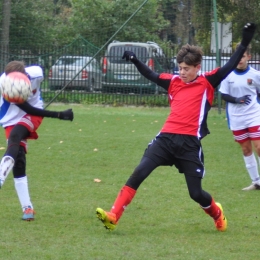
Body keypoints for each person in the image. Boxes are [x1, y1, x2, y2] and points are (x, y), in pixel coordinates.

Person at [96, 23, 256, 232]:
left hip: (189, 144)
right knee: (139, 173)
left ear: (197, 67)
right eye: (180, 68)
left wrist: (244, 41)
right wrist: (135, 59)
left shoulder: (208, 81)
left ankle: (217, 213)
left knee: (196, 194)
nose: (181, 72)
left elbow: (229, 65)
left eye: (186, 69)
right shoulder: (172, 81)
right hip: (165, 139)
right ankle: (113, 215)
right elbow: (151, 75)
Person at [0, 60, 74, 221]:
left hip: (34, 115)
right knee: (18, 158)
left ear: (25, 75)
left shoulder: (37, 73)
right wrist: (59, 115)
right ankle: (28, 209)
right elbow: (26, 107)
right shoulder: (5, 83)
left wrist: (60, 115)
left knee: (15, 137)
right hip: (10, 118)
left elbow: (32, 110)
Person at [220, 43, 260, 191]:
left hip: (254, 115)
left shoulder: (255, 75)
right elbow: (223, 94)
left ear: (248, 56)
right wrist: (236, 100)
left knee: (259, 147)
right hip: (236, 117)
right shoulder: (227, 74)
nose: (240, 60)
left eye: (243, 56)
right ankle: (256, 182)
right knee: (246, 149)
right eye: (238, 56)